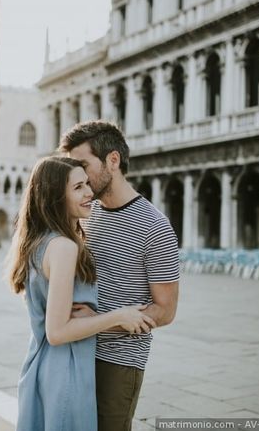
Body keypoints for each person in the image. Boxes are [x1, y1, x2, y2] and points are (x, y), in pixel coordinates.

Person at [6, 156, 156, 431]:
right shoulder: (63, 247)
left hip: (40, 368)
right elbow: (58, 332)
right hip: (66, 373)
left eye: (86, 183)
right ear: (54, 196)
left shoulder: (38, 240)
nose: (89, 192)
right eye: (78, 187)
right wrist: (117, 316)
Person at [59, 121, 180, 431]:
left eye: (84, 165)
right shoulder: (87, 212)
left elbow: (165, 311)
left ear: (112, 161)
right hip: (73, 351)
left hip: (119, 363)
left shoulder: (156, 228)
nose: (80, 177)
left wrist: (99, 321)